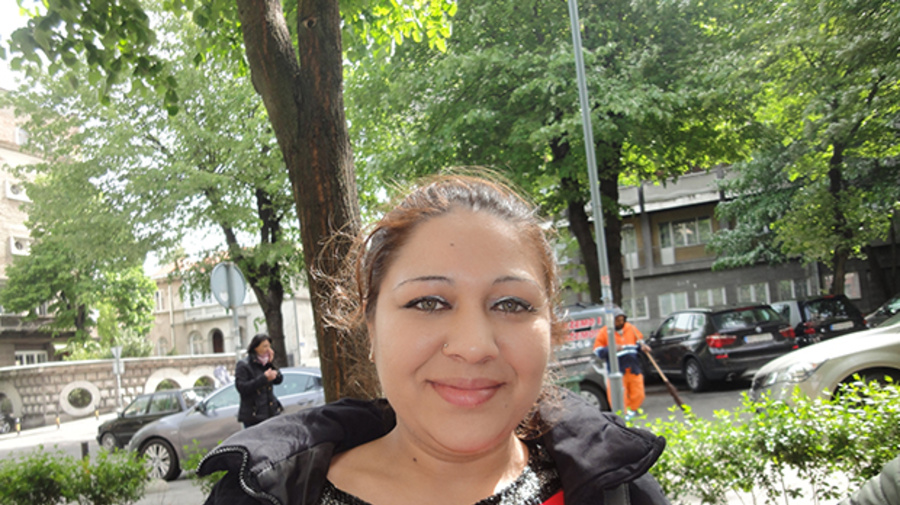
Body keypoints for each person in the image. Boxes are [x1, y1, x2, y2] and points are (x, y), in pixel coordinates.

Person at [199, 173, 670, 505]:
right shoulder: (256, 496)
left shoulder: (623, 493)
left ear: (553, 327)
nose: (474, 346)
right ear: (371, 327)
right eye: (428, 302)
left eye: (511, 304)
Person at [592, 308, 651, 418]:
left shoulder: (631, 328)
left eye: (621, 320)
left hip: (633, 367)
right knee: (618, 394)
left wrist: (644, 347)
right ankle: (623, 415)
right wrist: (611, 348)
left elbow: (639, 342)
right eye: (617, 320)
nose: (620, 322)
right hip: (617, 369)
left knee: (639, 393)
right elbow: (597, 351)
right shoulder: (605, 332)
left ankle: (632, 411)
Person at [235, 333, 284, 428]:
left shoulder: (266, 363)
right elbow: (242, 387)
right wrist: (264, 378)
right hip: (253, 415)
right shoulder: (244, 365)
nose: (268, 350)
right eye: (265, 346)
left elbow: (279, 380)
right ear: (256, 348)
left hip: (271, 412)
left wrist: (272, 364)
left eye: (269, 346)